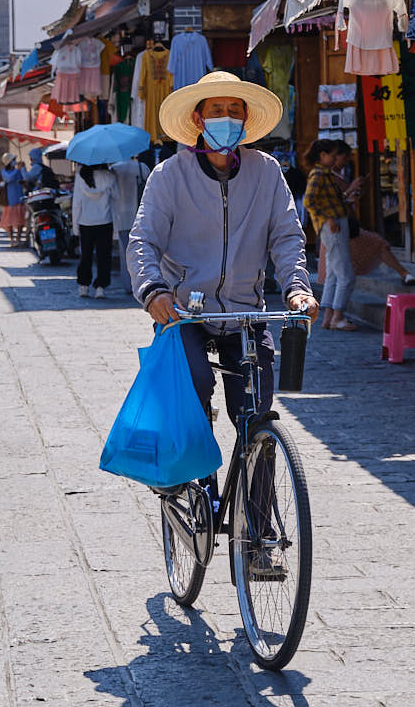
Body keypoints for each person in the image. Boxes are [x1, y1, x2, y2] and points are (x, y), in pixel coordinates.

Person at [129, 71, 318, 459]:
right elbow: (143, 240)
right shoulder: (169, 175)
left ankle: (259, 519)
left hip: (247, 314)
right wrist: (153, 291)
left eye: (235, 109)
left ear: (246, 119)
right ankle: (199, 486)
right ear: (198, 119)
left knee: (258, 416)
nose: (227, 117)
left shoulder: (266, 171)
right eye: (217, 109)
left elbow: (286, 236)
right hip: (184, 313)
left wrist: (297, 287)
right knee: (193, 389)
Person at [303, 140, 362, 331]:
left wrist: (349, 194)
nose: (336, 158)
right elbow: (308, 201)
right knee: (346, 275)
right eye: (333, 155)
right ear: (323, 155)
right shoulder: (319, 174)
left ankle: (328, 318)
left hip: (335, 225)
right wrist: (328, 218)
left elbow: (331, 200)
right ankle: (338, 317)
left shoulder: (325, 174)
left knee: (333, 276)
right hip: (333, 227)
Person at [72, 161, 117, 297]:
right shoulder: (110, 176)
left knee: (85, 255)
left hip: (85, 222)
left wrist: (75, 227)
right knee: (104, 256)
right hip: (105, 221)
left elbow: (77, 203)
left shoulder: (81, 176)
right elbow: (116, 199)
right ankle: (100, 288)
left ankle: (83, 286)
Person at [110, 156, 144, 298]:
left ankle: (128, 284)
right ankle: (140, 283)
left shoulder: (114, 168)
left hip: (121, 215)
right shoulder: (143, 167)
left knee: (125, 253)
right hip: (139, 214)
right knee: (142, 252)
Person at [0, 157, 28, 245]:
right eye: (13, 160)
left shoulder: (18, 171)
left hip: (19, 197)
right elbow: (9, 178)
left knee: (20, 220)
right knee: (9, 221)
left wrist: (23, 168)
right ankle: (12, 239)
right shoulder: (4, 172)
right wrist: (17, 170)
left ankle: (18, 238)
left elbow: (25, 177)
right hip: (10, 199)